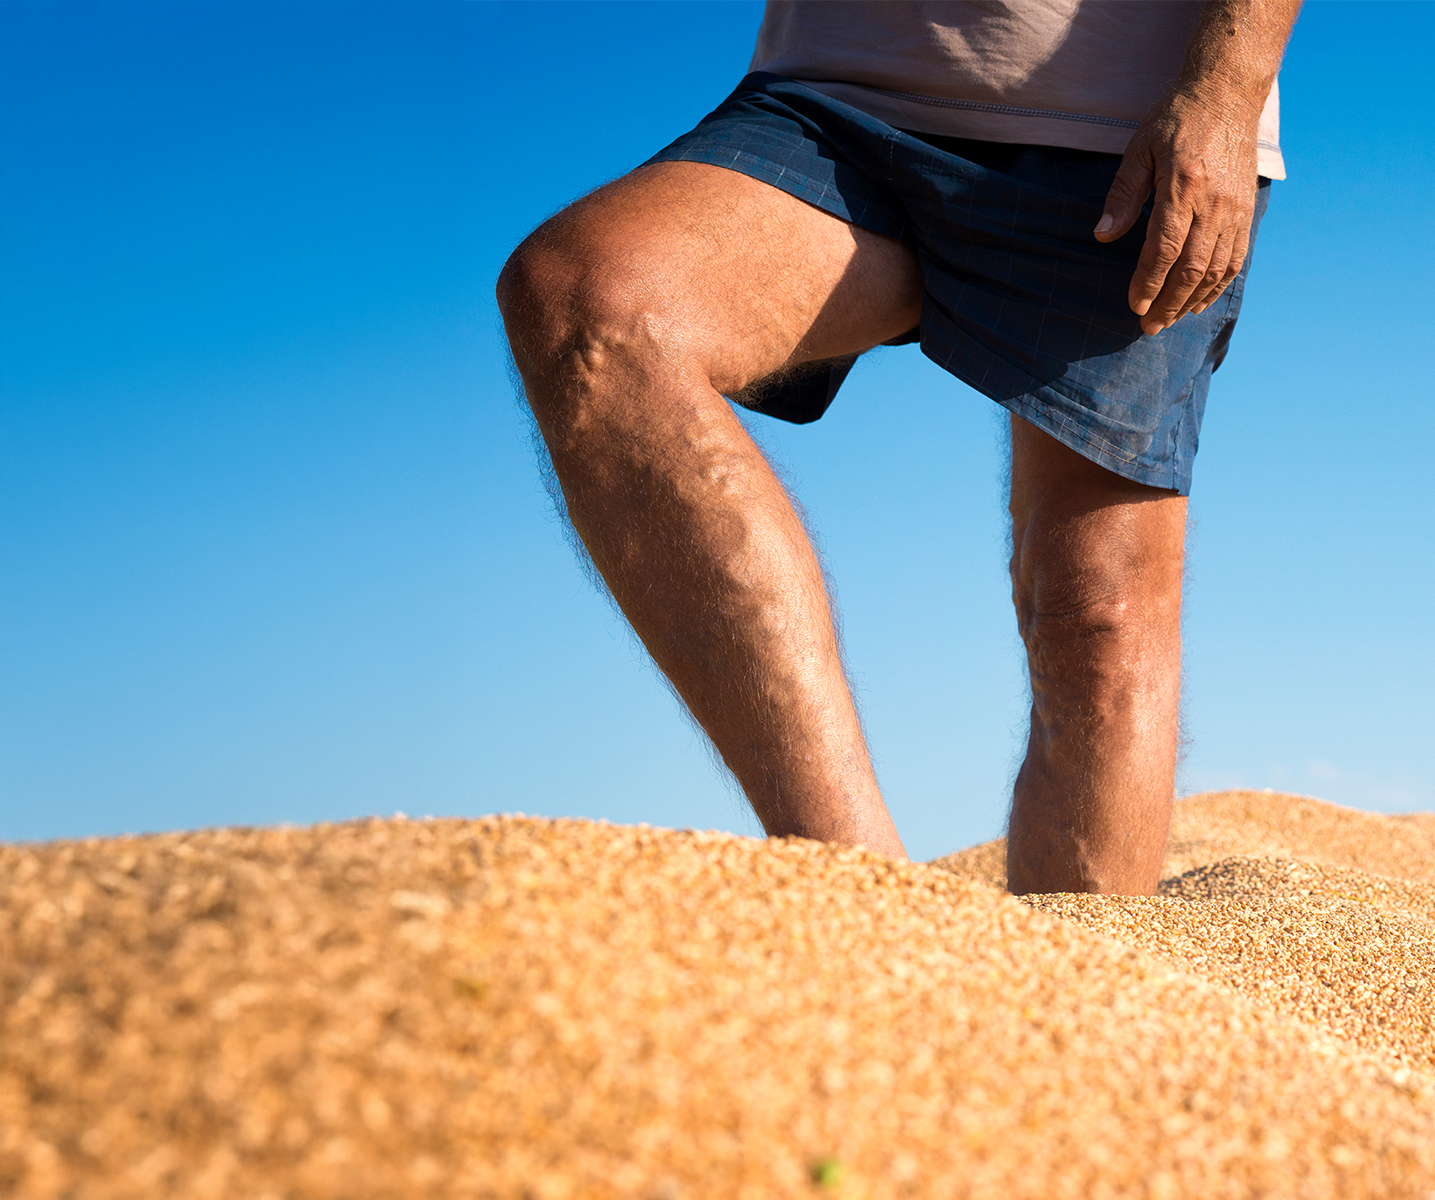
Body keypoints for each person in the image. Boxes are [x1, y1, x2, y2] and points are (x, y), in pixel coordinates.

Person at [496, 0, 1301, 896]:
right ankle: (865, 901)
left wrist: (1228, 91)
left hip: (1120, 129)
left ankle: (1072, 1013)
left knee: (1095, 610)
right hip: (830, 94)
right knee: (589, 300)